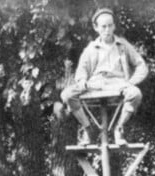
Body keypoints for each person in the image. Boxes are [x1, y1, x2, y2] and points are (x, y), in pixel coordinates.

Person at [61, 7, 148, 145]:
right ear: (96, 28)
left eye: (110, 26)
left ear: (114, 26)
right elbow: (82, 69)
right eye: (103, 26)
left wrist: (131, 81)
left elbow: (141, 65)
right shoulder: (91, 48)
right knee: (67, 95)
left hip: (118, 83)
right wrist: (83, 80)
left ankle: (119, 129)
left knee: (135, 94)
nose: (107, 30)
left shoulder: (123, 45)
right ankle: (88, 129)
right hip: (95, 84)